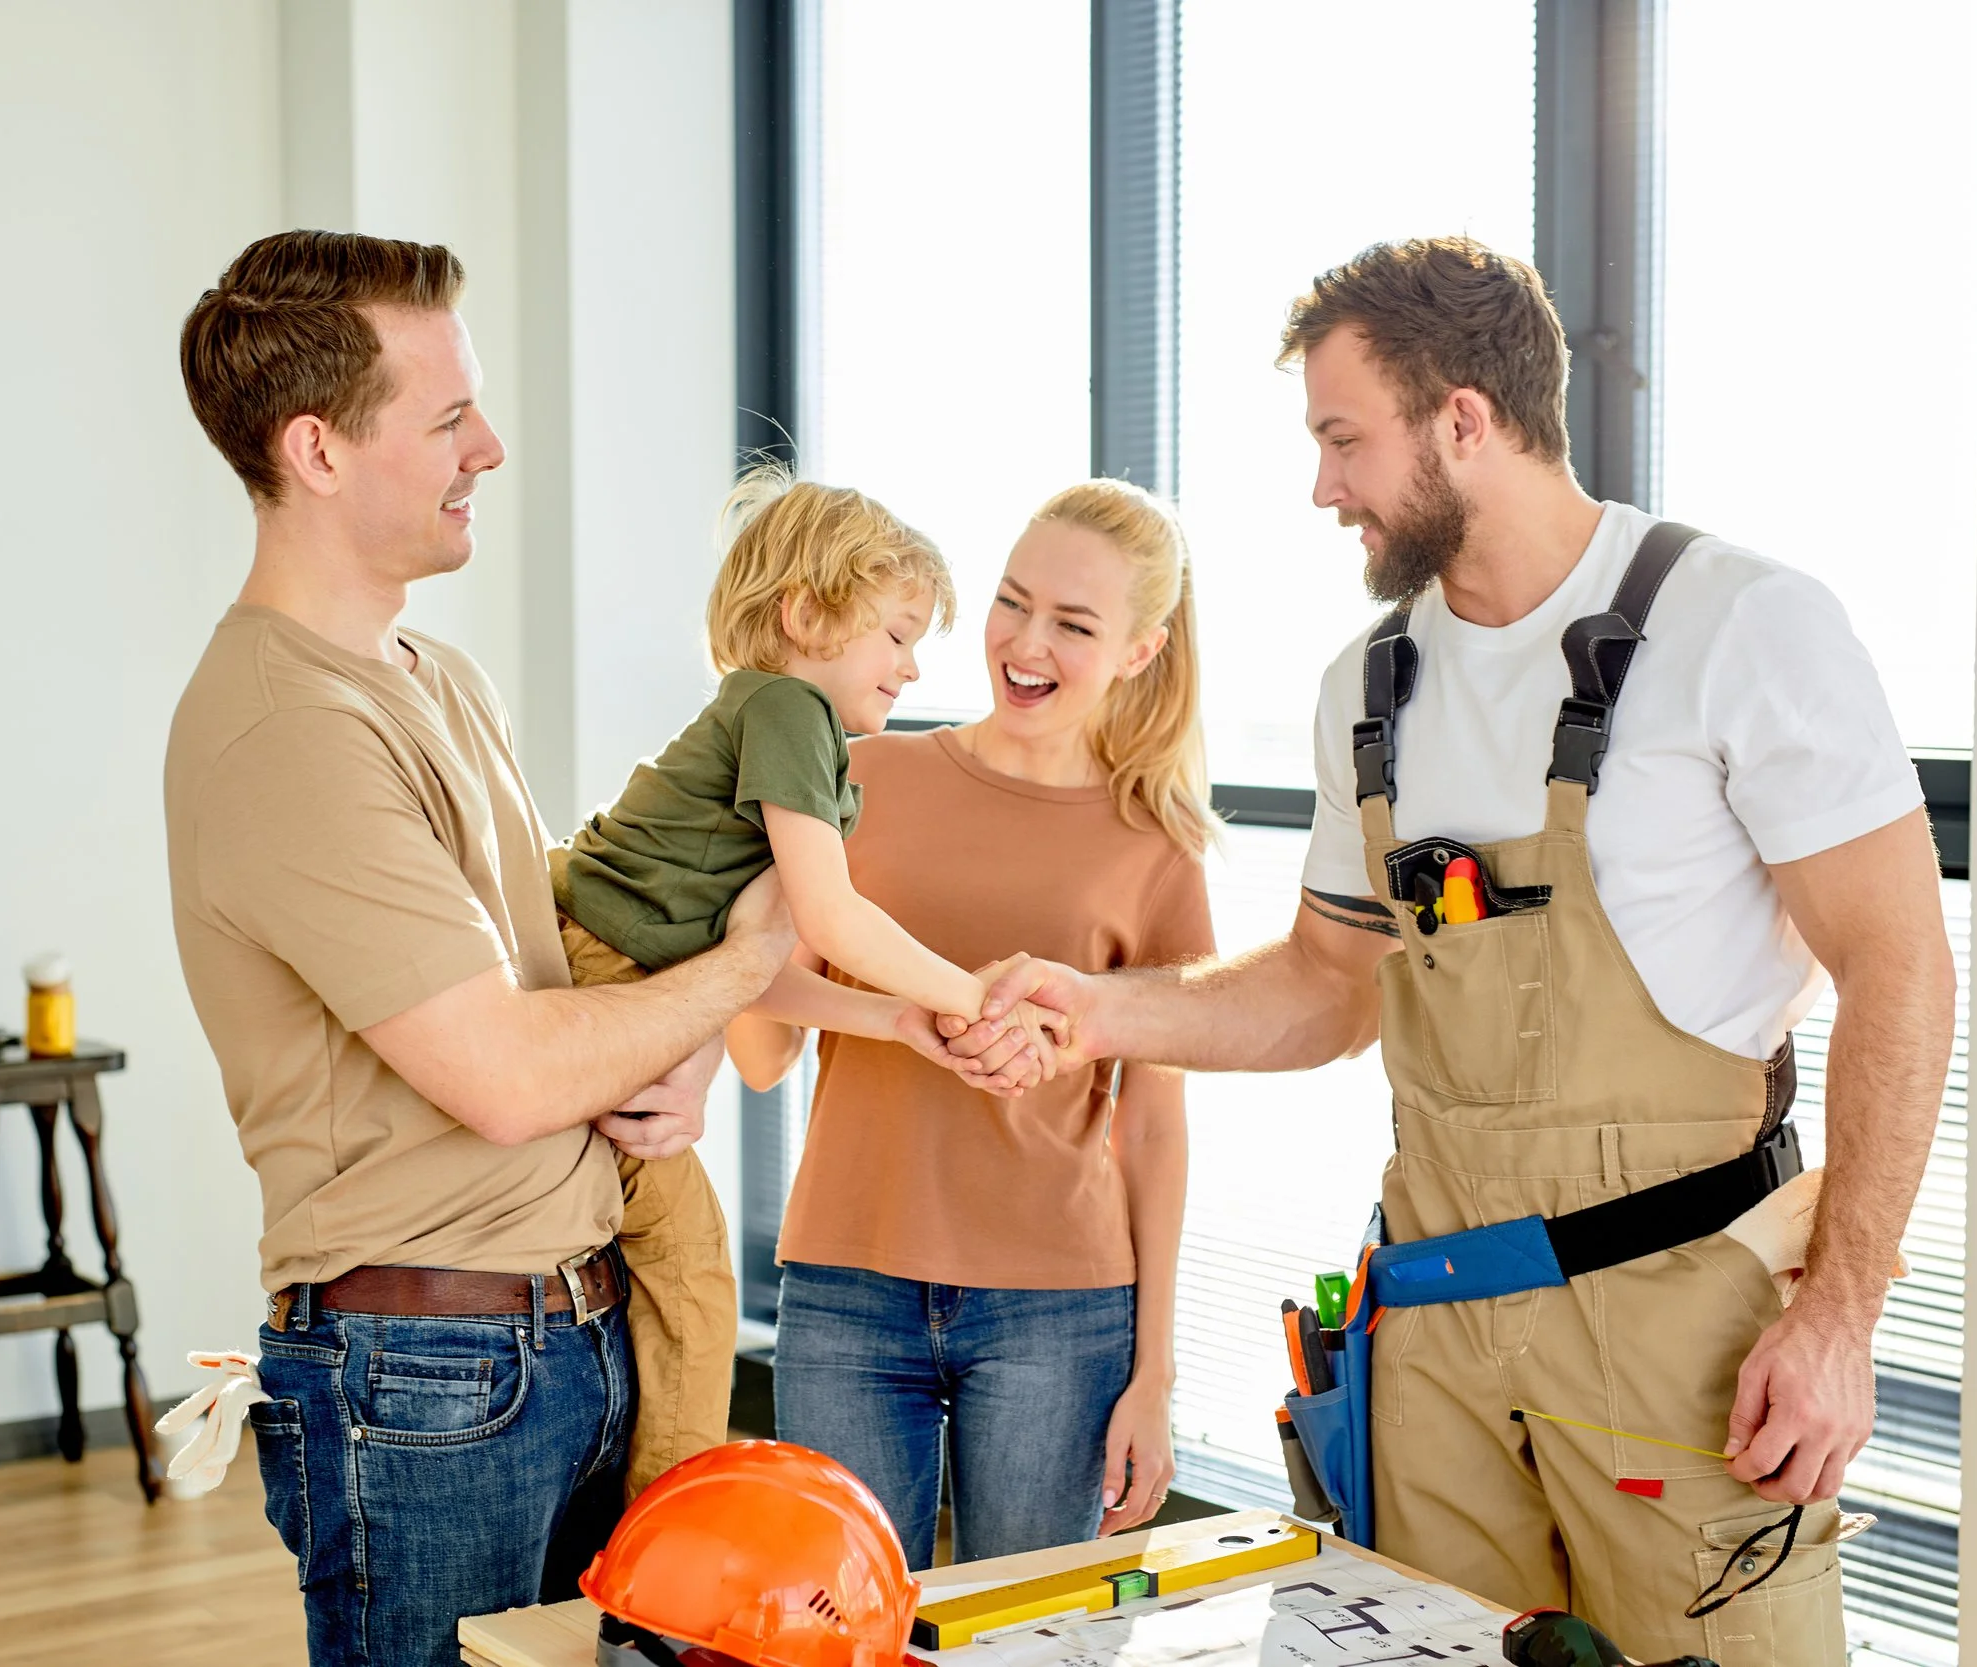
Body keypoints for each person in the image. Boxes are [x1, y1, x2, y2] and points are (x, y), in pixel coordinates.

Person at [961, 239, 1955, 1664]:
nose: (1323, 487)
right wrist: (1096, 1011)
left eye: (1343, 439)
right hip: (1433, 1338)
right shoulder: (1371, 688)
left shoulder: (1740, 625)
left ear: (1466, 421)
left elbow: (1902, 967)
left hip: (1686, 1341)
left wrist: (1842, 1314)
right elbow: (1321, 984)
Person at [161, 230, 796, 1667]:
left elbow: (555, 966)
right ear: (316, 448)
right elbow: (506, 1073)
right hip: (425, 1379)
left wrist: (684, 1049)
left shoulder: (435, 677)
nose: (490, 446)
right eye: (448, 417)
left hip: (570, 1334)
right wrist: (745, 963)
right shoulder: (291, 729)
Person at [727, 478, 1216, 1568]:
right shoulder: (857, 774)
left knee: (1034, 1640)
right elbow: (760, 1039)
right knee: (840, 1631)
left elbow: (1153, 1127)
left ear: (1138, 650)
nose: (1024, 641)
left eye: (1074, 624)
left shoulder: (1158, 844)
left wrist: (1154, 1370)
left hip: (1063, 1308)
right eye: (1011, 600)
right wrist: (844, 988)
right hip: (848, 1284)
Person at [553, 465, 1056, 1499]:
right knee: (694, 1282)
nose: (913, 668)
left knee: (682, 1278)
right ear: (804, 612)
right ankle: (663, 1552)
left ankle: (651, 1524)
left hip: (633, 971)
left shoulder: (785, 728)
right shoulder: (788, 708)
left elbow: (755, 972)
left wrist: (898, 1019)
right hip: (601, 964)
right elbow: (830, 921)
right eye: (897, 633)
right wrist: (975, 997)